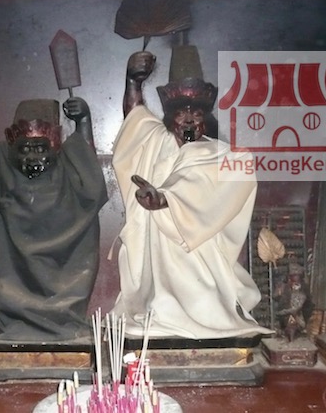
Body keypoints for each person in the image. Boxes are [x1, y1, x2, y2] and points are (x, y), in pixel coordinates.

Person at [110, 47, 273, 339]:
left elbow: (206, 192)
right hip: (158, 254)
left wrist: (165, 200)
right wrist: (133, 81)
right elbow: (135, 120)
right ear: (170, 116)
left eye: (196, 114)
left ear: (207, 118)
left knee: (204, 306)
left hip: (200, 258)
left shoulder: (226, 157)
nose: (188, 120)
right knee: (158, 303)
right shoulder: (156, 142)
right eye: (181, 113)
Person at [0, 97, 108, 342]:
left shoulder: (68, 163)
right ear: (12, 146)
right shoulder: (1, 158)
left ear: (55, 146)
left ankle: (60, 321)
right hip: (13, 264)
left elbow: (92, 189)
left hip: (63, 269)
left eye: (40, 149)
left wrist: (83, 122)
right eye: (25, 149)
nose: (33, 158)